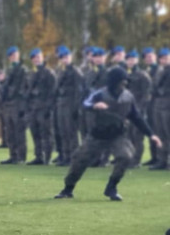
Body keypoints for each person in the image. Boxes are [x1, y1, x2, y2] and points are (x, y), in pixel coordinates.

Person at [54, 68, 163, 201]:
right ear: (114, 82)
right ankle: (68, 188)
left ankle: (112, 187)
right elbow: (85, 103)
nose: (124, 85)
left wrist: (151, 134)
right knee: (79, 160)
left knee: (126, 156)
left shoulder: (128, 97)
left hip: (117, 136)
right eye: (121, 82)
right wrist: (95, 106)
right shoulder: (99, 94)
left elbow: (136, 117)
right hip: (97, 135)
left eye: (125, 82)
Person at [150, 48, 170, 170]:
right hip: (158, 105)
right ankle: (162, 160)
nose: (165, 60)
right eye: (163, 58)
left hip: (169, 106)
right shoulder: (159, 71)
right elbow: (154, 87)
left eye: (167, 58)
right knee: (160, 134)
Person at [54, 45, 85, 166]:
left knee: (71, 133)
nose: (64, 60)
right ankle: (66, 156)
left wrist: (76, 108)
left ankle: (74, 157)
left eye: (66, 57)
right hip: (61, 104)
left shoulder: (75, 72)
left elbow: (79, 91)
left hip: (70, 104)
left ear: (70, 57)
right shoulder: (61, 71)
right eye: (62, 58)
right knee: (63, 132)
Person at [27, 48, 57, 165]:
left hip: (44, 108)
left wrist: (48, 108)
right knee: (36, 134)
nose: (36, 60)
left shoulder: (49, 73)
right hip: (33, 108)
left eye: (38, 57)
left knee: (46, 134)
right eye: (34, 58)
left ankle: (47, 157)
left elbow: (52, 92)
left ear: (42, 58)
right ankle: (38, 156)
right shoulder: (32, 73)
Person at [0, 46, 29, 164]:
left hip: (18, 103)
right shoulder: (9, 70)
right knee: (10, 132)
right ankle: (13, 155)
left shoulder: (23, 69)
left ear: (18, 54)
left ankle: (21, 157)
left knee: (19, 132)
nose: (13, 57)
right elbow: (4, 88)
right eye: (11, 55)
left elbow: (23, 87)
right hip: (9, 104)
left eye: (15, 54)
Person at [125, 50, 152, 168]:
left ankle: (136, 160)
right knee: (128, 135)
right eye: (128, 59)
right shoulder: (125, 74)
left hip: (138, 110)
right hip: (127, 110)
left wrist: (139, 110)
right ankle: (130, 159)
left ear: (136, 60)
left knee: (137, 136)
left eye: (133, 59)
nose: (130, 61)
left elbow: (146, 95)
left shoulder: (143, 75)